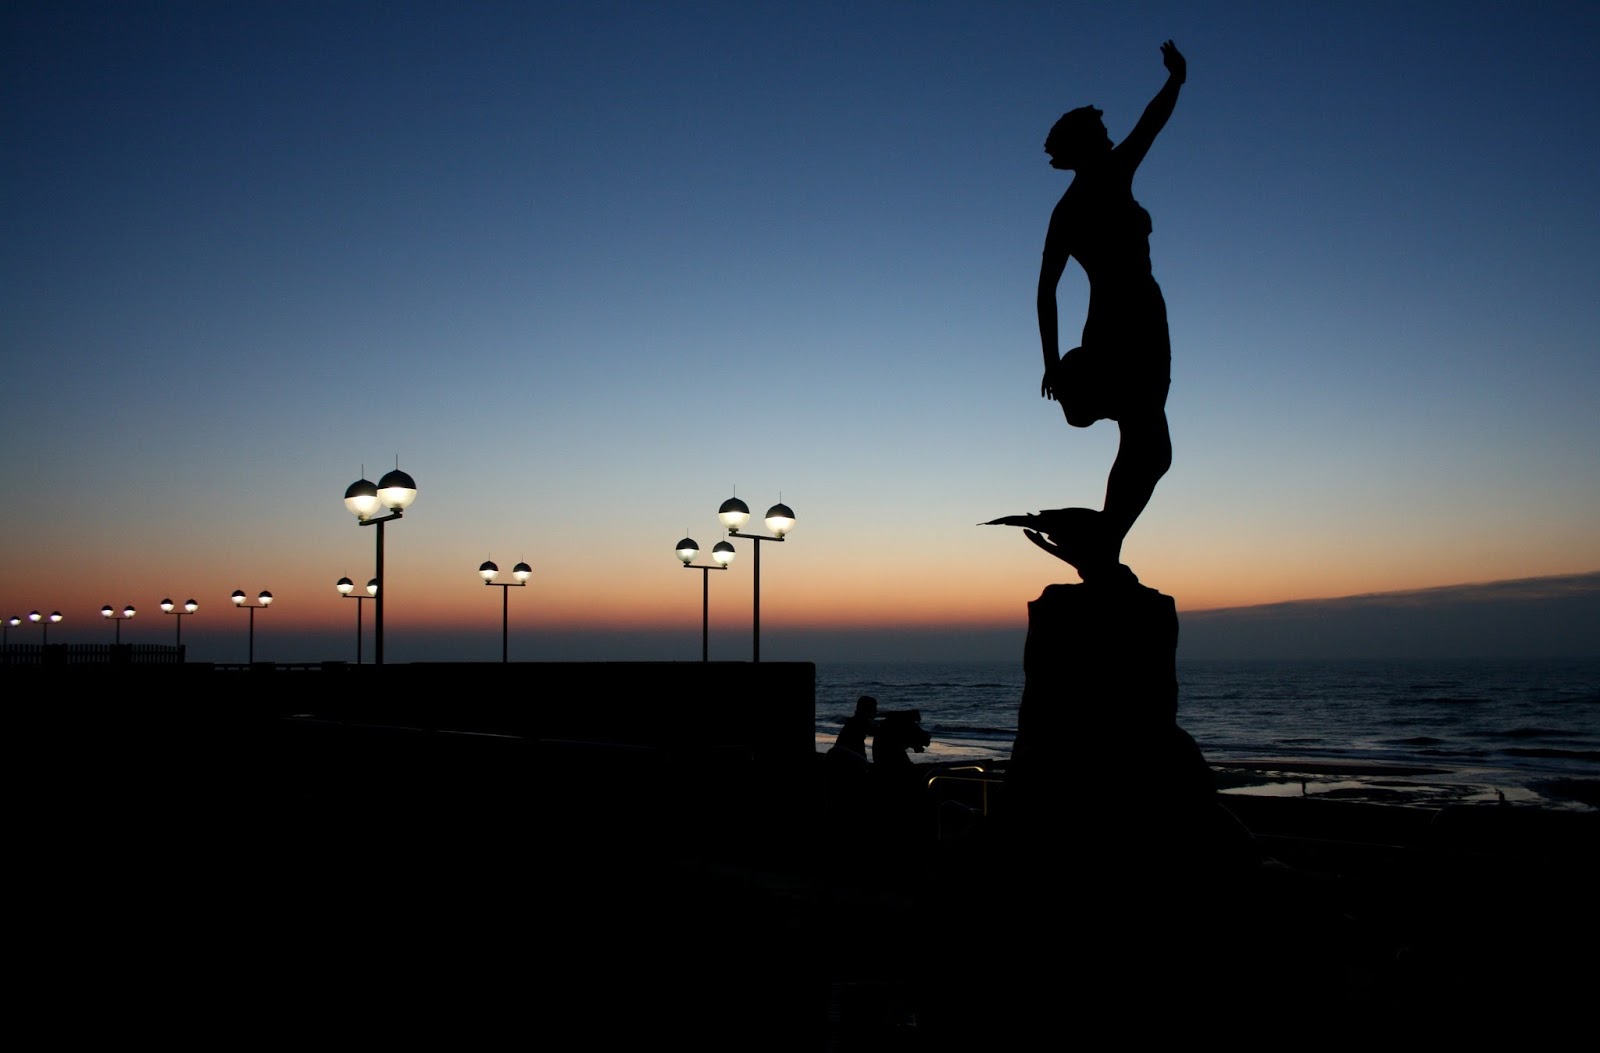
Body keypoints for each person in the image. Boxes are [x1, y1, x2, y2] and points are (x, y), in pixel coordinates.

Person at [1036, 40, 1186, 574]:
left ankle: (1104, 544)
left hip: (1138, 319)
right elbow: (1046, 290)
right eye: (1100, 135)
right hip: (1124, 323)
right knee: (1151, 445)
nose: (1109, 139)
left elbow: (1151, 123)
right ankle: (1104, 542)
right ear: (1082, 148)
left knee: (1147, 444)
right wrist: (1052, 364)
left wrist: (1175, 81)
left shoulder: (1085, 195)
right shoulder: (1095, 188)